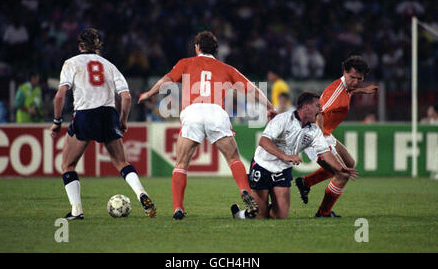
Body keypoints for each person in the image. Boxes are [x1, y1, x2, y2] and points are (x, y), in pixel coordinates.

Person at [139, 31, 276, 220]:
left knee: (181, 163)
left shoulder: (185, 63)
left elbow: (166, 80)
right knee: (233, 158)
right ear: (216, 50)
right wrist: (269, 106)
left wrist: (149, 93)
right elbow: (251, 88)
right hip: (215, 112)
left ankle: (178, 208)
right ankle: (244, 190)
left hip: (192, 111)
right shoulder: (226, 68)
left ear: (197, 46)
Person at [50, 28, 156, 220]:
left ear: (80, 46)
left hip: (85, 114)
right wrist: (122, 120)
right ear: (97, 46)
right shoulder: (109, 65)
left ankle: (77, 211)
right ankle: (141, 192)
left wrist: (57, 121)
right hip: (108, 114)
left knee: (68, 165)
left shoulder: (71, 63)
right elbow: (126, 96)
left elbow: (60, 96)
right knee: (121, 162)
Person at [230, 92, 358, 219]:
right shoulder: (283, 119)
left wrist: (341, 168)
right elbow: (263, 141)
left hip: (282, 170)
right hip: (262, 165)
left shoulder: (314, 131)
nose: (321, 109)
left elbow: (326, 153)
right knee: (260, 216)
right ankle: (241, 213)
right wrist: (285, 156)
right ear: (306, 107)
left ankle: (263, 205)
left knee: (280, 217)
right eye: (317, 105)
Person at [295, 55, 378, 217]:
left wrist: (363, 90)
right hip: (315, 135)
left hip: (325, 133)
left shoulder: (346, 87)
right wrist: (319, 143)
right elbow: (319, 113)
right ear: (344, 72)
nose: (355, 82)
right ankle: (323, 212)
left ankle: (306, 182)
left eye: (359, 79)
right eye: (352, 77)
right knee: (343, 175)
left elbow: (349, 90)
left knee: (349, 162)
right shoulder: (336, 91)